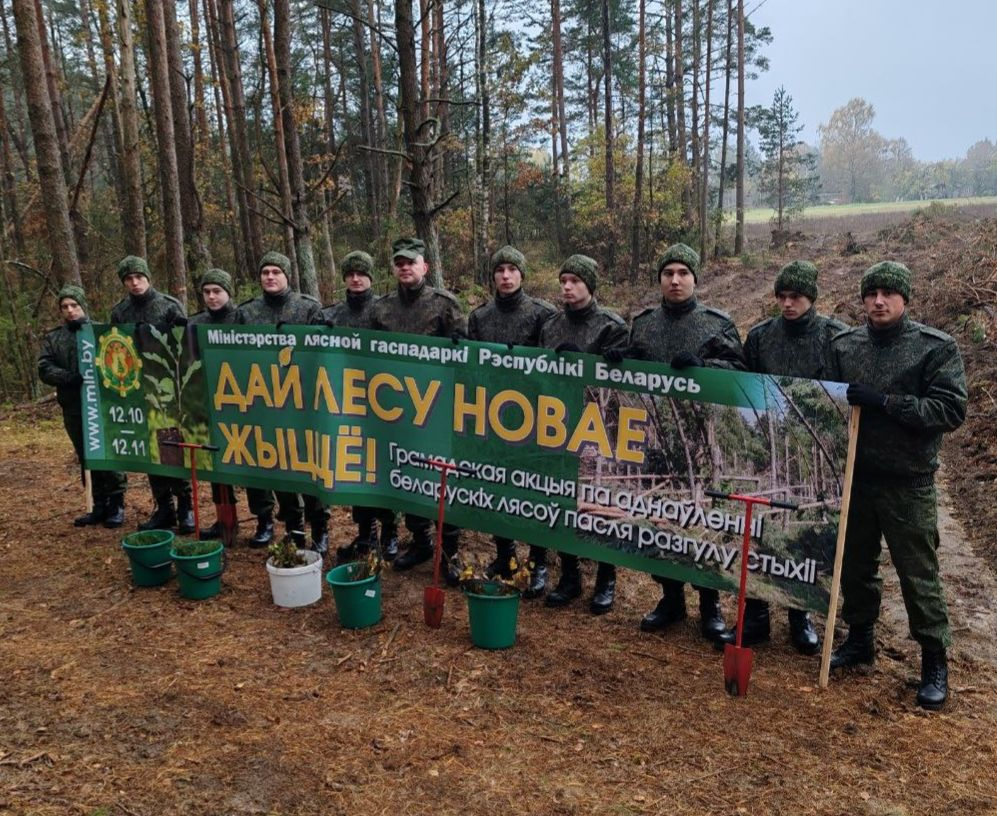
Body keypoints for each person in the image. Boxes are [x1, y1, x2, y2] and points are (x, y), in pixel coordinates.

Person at [827, 261, 966, 710]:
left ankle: (933, 660)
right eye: (871, 294)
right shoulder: (845, 345)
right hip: (857, 477)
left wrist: (886, 403)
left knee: (918, 575)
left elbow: (949, 411)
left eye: (888, 293)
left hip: (909, 483)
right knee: (855, 568)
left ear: (905, 298)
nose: (879, 301)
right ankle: (860, 638)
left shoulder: (934, 348)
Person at [715, 260, 847, 655]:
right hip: (770, 439)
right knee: (756, 532)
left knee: (800, 541)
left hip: (812, 444)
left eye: (797, 297)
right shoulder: (760, 337)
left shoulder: (834, 337)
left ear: (812, 299)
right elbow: (741, 379)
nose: (788, 304)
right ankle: (754, 615)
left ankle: (800, 617)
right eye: (782, 297)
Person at [629, 243, 745, 641]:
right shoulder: (643, 323)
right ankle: (670, 596)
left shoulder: (716, 324)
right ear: (660, 279)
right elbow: (632, 369)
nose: (675, 280)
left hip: (699, 439)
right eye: (668, 273)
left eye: (682, 273)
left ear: (695, 278)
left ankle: (709, 603)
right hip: (655, 438)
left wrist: (705, 367)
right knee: (660, 520)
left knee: (700, 521)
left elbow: (740, 372)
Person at [370, 237, 466, 584]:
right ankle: (421, 540)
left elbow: (467, 357)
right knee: (406, 475)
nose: (405, 267)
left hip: (438, 411)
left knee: (442, 481)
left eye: (411, 262)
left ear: (425, 266)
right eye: (399, 262)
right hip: (395, 411)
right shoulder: (380, 308)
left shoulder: (444, 305)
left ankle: (449, 551)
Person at [538, 254, 628, 614]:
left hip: (599, 428)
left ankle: (606, 578)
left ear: (590, 285)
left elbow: (623, 379)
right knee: (564, 500)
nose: (567, 287)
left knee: (599, 501)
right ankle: (570, 574)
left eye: (575, 281)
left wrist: (589, 365)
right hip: (558, 422)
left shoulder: (612, 325)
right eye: (563, 281)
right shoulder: (551, 325)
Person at [467, 245, 556, 597]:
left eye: (512, 270)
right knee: (495, 488)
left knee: (531, 490)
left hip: (534, 417)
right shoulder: (480, 317)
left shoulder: (542, 314)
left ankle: (537, 561)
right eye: (499, 270)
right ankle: (504, 555)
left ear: (522, 274)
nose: (505, 276)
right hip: (491, 416)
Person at [236, 251, 326, 552]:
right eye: (265, 272)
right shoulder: (247, 313)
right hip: (266, 403)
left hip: (304, 405)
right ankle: (294, 528)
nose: (270, 277)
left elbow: (323, 355)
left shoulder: (308, 308)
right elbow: (236, 355)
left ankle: (320, 528)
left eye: (276, 271)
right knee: (279, 468)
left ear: (287, 275)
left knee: (311, 469)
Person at [314, 251, 398, 563]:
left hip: (384, 403)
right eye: (350, 274)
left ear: (371, 277)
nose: (356, 278)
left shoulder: (386, 310)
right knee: (357, 470)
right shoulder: (330, 315)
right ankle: (366, 532)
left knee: (383, 470)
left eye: (361, 273)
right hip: (345, 403)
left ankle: (389, 529)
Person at [109, 256, 194, 533]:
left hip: (167, 389)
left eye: (139, 277)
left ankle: (185, 506)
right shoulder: (120, 312)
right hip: (136, 387)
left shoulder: (168, 305)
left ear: (148, 277)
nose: (135, 283)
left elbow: (184, 346)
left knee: (170, 446)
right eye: (129, 279)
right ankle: (164, 507)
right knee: (149, 450)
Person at [39, 285, 128, 528]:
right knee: (87, 456)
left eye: (74, 306)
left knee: (108, 452)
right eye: (65, 307)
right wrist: (68, 377)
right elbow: (44, 368)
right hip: (74, 407)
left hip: (102, 405)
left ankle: (116, 503)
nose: (70, 310)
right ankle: (97, 504)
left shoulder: (99, 332)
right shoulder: (54, 338)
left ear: (82, 306)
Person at [189, 269, 254, 540]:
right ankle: (224, 520)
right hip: (208, 403)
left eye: (217, 291)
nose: (212, 297)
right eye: (207, 292)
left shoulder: (242, 318)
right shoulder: (196, 323)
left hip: (243, 401)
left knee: (250, 461)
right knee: (216, 462)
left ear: (228, 292)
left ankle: (264, 519)